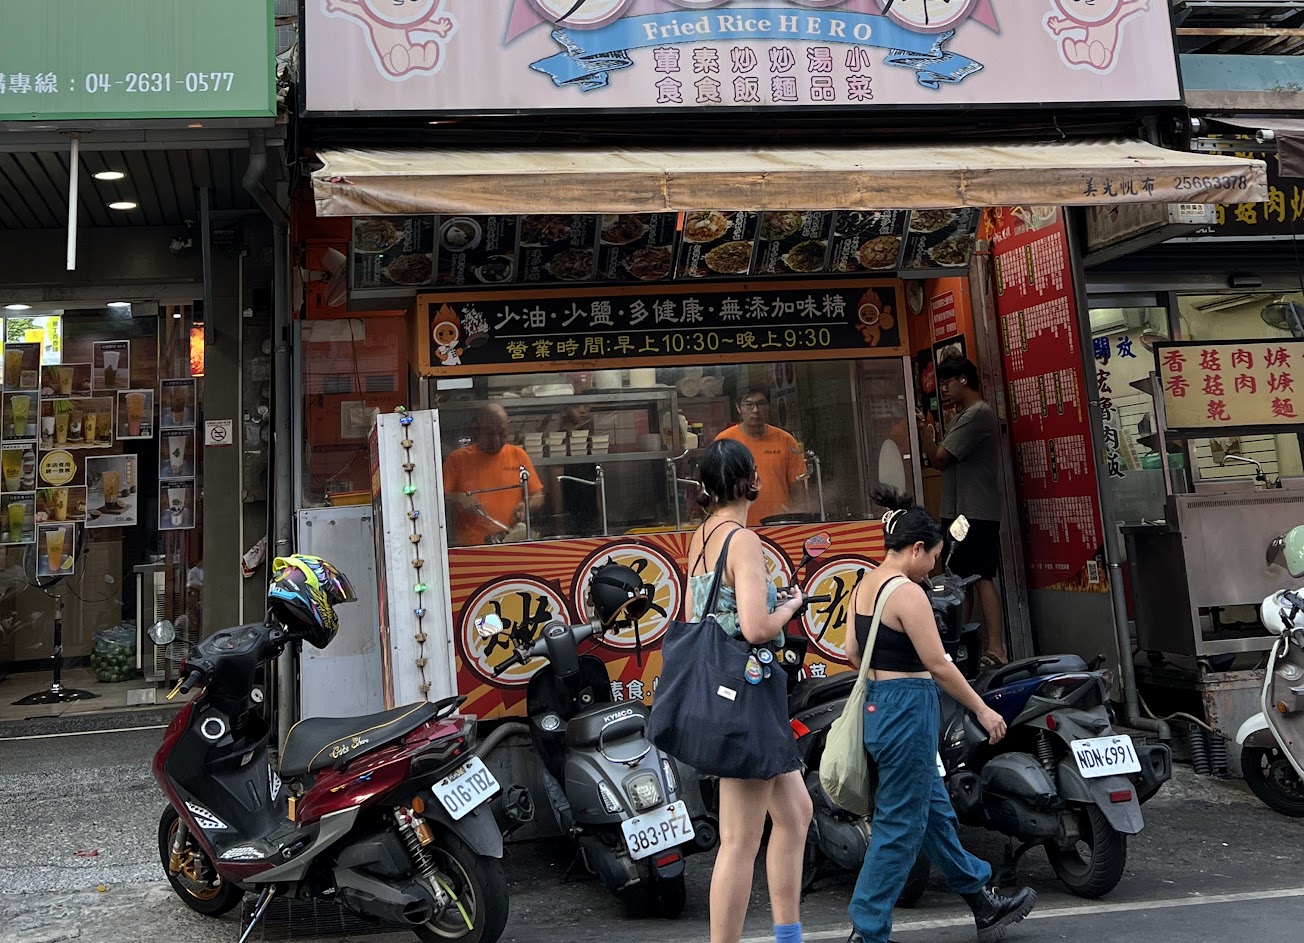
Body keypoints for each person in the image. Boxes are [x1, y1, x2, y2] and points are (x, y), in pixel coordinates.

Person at [845, 486, 1035, 943]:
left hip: (879, 704)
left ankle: (982, 903)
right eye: (933, 556)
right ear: (916, 548)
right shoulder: (907, 594)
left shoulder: (864, 585)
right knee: (898, 826)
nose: (933, 566)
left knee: (933, 813)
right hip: (908, 709)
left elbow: (852, 652)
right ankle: (867, 931)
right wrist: (982, 709)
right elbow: (940, 664)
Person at [686, 439, 811, 943]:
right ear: (751, 481)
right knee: (739, 840)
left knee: (796, 814)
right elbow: (757, 628)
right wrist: (791, 607)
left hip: (727, 691)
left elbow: (708, 614)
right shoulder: (742, 541)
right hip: (746, 695)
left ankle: (789, 935)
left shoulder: (701, 538)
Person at [917, 357, 1007, 667]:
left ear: (964, 380)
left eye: (947, 382)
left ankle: (995, 648)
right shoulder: (963, 416)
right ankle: (957, 642)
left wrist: (924, 433)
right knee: (959, 579)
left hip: (974, 512)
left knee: (981, 577)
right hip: (961, 511)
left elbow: (940, 458)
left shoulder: (977, 414)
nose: (943, 389)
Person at [442, 404, 544, 546]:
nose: (496, 440)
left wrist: (526, 505)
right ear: (477, 430)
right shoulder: (458, 459)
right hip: (472, 546)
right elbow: (439, 497)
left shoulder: (518, 455)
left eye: (502, 434)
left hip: (512, 542)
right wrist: (459, 498)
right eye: (490, 434)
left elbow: (538, 495)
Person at [714, 387, 808, 527]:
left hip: (779, 524)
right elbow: (714, 488)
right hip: (737, 526)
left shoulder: (786, 440)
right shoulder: (724, 441)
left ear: (769, 406)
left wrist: (799, 519)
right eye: (749, 404)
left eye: (761, 404)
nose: (755, 410)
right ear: (738, 408)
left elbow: (798, 487)